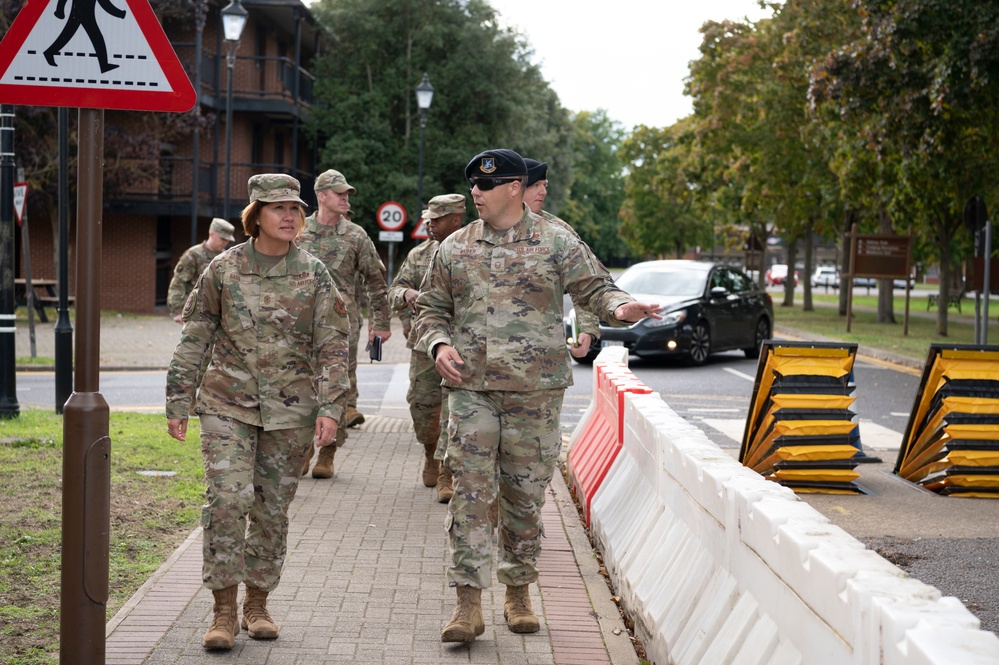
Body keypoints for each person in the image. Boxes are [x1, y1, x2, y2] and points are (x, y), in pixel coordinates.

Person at [414, 149, 662, 643]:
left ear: (513, 187)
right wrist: (438, 343)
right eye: (473, 186)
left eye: (486, 187)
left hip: (535, 392)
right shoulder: (455, 248)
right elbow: (430, 310)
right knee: (469, 493)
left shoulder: (556, 240)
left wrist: (625, 307)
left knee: (524, 497)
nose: (475, 195)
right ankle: (467, 604)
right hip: (470, 389)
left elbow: (597, 289)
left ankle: (519, 589)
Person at [165, 174, 350, 651]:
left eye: (295, 208)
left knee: (272, 510)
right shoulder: (223, 269)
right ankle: (223, 610)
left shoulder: (314, 273)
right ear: (256, 216)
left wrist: (333, 407)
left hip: (292, 411)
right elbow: (196, 336)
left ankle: (257, 603)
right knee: (227, 501)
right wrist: (178, 398)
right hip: (227, 403)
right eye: (278, 208)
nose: (289, 216)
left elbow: (333, 346)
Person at [296, 169, 392, 479]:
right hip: (301, 323)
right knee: (302, 386)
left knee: (335, 387)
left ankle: (327, 453)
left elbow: (376, 281)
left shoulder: (356, 236)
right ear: (321, 196)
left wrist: (382, 323)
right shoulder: (299, 231)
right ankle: (304, 448)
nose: (345, 198)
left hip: (342, 324)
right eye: (339, 193)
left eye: (347, 193)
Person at [387, 193, 465, 501]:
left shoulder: (473, 251)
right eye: (427, 220)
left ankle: (447, 470)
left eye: (436, 220)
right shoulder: (419, 254)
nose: (428, 225)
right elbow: (394, 289)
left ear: (456, 219)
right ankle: (430, 451)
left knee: (454, 411)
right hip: (424, 346)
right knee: (422, 406)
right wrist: (406, 295)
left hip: (461, 346)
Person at [522, 158, 602, 359]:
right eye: (535, 186)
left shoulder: (560, 232)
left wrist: (587, 329)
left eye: (544, 185)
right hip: (482, 364)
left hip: (540, 356)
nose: (543, 192)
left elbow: (584, 285)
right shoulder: (480, 232)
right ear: (514, 188)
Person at [166, 218, 235, 323]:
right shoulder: (193, 255)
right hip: (196, 314)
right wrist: (178, 310)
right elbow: (178, 283)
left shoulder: (228, 258)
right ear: (211, 234)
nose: (225, 242)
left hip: (220, 316)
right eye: (222, 238)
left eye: (227, 240)